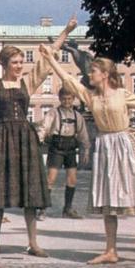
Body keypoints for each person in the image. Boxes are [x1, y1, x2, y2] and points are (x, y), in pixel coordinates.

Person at [38, 40, 135, 264]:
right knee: (108, 202)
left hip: (126, 145)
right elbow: (68, 79)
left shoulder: (122, 94)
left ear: (106, 74)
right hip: (105, 148)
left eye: (93, 71)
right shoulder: (91, 97)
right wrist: (50, 58)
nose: (89, 74)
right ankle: (111, 250)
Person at [0, 7, 75, 258]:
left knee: (30, 193)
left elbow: (47, 59)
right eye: (16, 62)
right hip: (1, 140)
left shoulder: (27, 82)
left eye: (22, 62)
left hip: (25, 141)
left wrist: (65, 31)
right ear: (5, 63)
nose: (20, 66)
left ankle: (33, 242)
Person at [36, 87, 90, 220]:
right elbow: (44, 127)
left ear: (73, 99)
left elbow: (83, 134)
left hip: (70, 147)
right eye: (64, 99)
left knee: (72, 179)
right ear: (60, 99)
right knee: (51, 179)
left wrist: (86, 149)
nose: (67, 101)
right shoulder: (53, 113)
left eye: (69, 99)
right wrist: (39, 140)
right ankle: (42, 209)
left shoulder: (78, 116)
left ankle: (68, 209)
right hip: (56, 147)